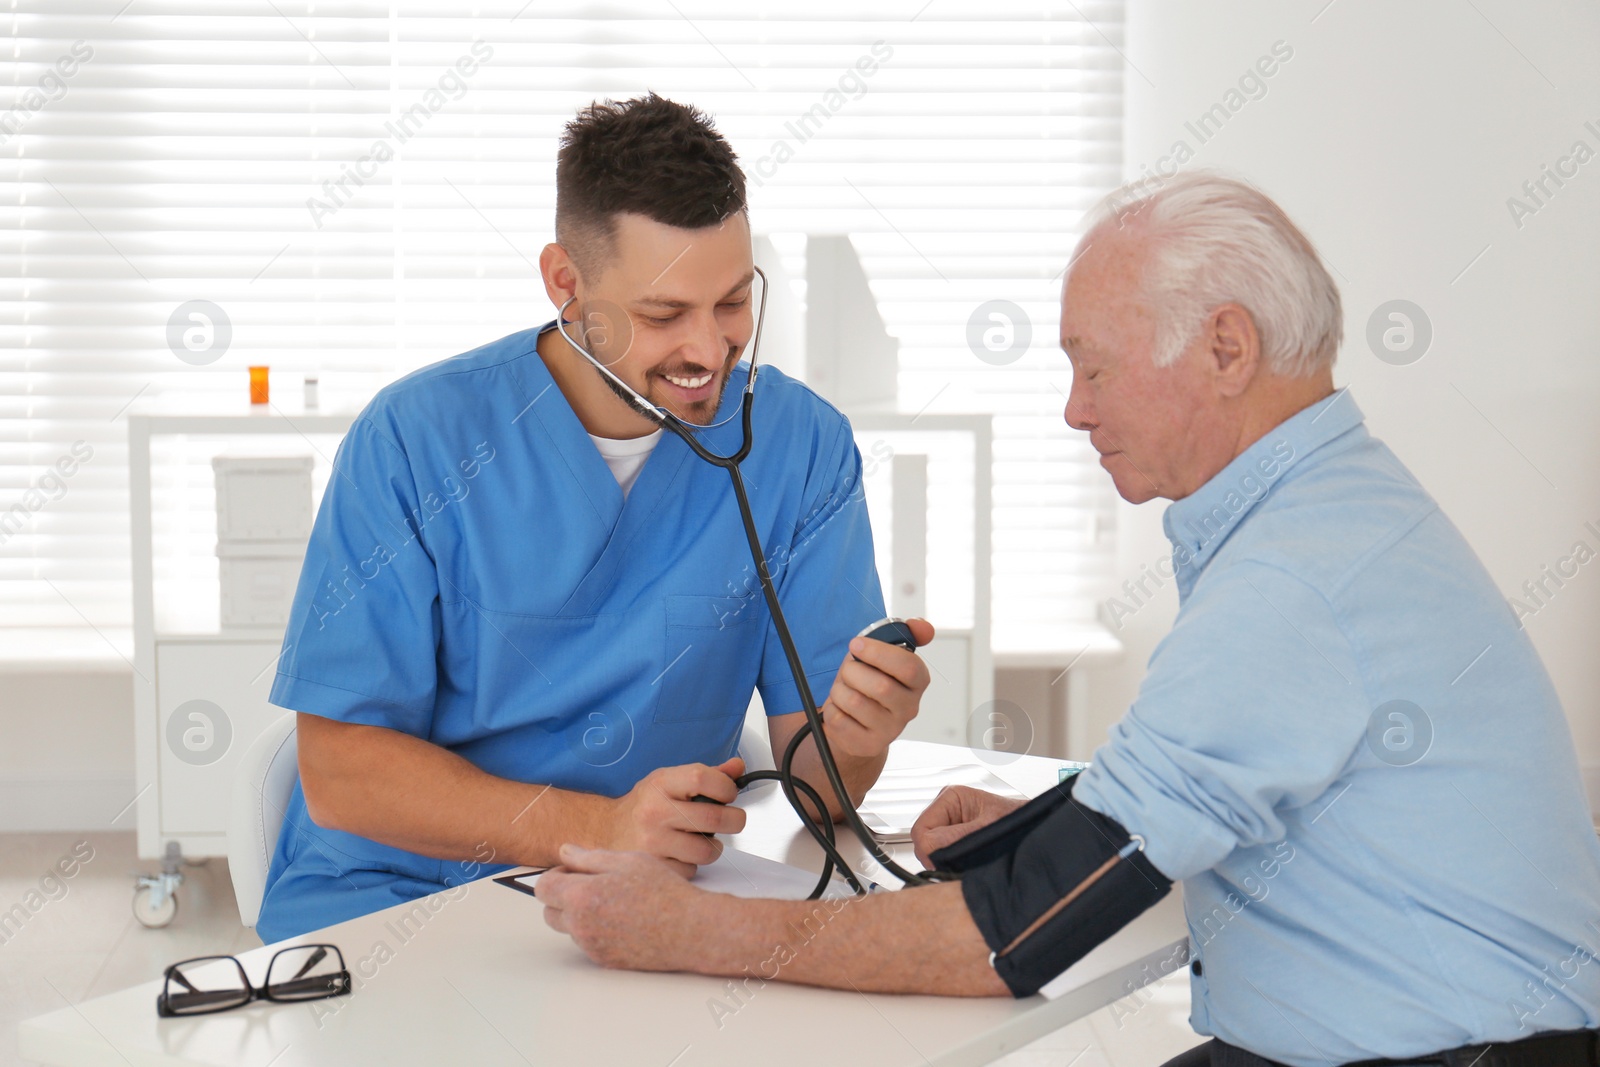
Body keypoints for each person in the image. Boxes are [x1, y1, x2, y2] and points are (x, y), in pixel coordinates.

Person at [535, 171, 1600, 1067]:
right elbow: (1224, 771)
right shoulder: (1342, 510)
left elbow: (1011, 939)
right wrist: (1019, 823)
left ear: (1225, 348)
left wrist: (691, 930)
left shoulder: (1290, 585)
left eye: (1093, 365)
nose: (1075, 409)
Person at [255, 94, 933, 942]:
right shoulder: (415, 440)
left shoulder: (802, 449)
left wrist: (860, 736)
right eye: (662, 315)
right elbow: (342, 773)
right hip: (398, 899)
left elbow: (820, 788)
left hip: (646, 902)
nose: (707, 351)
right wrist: (601, 826)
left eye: (731, 302)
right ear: (565, 284)